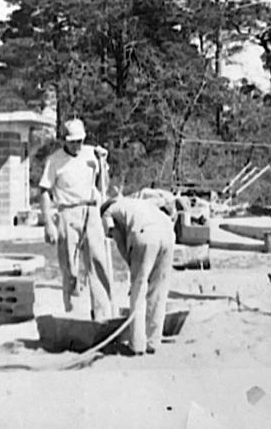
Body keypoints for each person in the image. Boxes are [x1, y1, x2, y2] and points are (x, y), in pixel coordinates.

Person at [40, 118, 113, 320]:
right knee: (70, 267)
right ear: (65, 140)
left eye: (80, 141)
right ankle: (74, 312)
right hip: (66, 212)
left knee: (98, 262)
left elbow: (102, 183)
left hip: (90, 209)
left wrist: (103, 163)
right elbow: (44, 191)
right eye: (73, 141)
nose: (77, 145)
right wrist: (48, 223)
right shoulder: (54, 160)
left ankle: (103, 312)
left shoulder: (92, 154)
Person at [101, 196, 177, 355]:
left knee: (138, 290)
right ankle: (153, 341)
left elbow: (118, 240)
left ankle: (137, 345)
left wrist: (134, 271)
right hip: (168, 233)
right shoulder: (138, 203)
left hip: (145, 234)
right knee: (159, 290)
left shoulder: (108, 212)